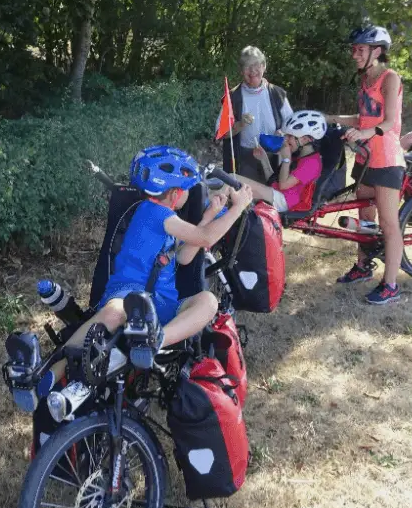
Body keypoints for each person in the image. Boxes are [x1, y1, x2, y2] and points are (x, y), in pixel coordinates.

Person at [47, 146, 253, 386]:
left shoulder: (166, 220)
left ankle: (157, 339)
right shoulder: (154, 213)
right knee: (116, 310)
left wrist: (211, 214)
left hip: (158, 306)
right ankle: (54, 369)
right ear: (175, 193)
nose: (188, 195)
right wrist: (238, 208)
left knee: (208, 301)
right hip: (129, 296)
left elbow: (186, 256)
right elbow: (205, 238)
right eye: (186, 189)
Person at [326, 26, 406, 305]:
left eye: (359, 49)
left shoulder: (390, 78)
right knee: (366, 219)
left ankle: (392, 284)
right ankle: (362, 267)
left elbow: (387, 122)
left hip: (385, 159)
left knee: (388, 223)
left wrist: (364, 134)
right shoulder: (364, 80)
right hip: (364, 157)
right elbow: (363, 118)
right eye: (353, 49)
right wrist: (330, 117)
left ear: (377, 51)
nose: (354, 54)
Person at [218, 46, 294, 184]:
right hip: (245, 159)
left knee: (274, 196)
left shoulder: (277, 93)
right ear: (241, 71)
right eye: (247, 67)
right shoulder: (232, 97)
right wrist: (240, 125)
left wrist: (283, 132)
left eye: (256, 65)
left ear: (264, 66)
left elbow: (292, 124)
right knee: (249, 200)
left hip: (275, 156)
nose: (252, 71)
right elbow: (221, 133)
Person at [231, 110, 326, 213]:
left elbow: (283, 185)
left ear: (305, 139)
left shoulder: (312, 163)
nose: (285, 139)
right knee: (228, 181)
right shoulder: (300, 155)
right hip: (277, 194)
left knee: (230, 180)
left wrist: (286, 159)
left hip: (284, 201)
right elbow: (274, 180)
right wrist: (263, 159)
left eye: (290, 136)